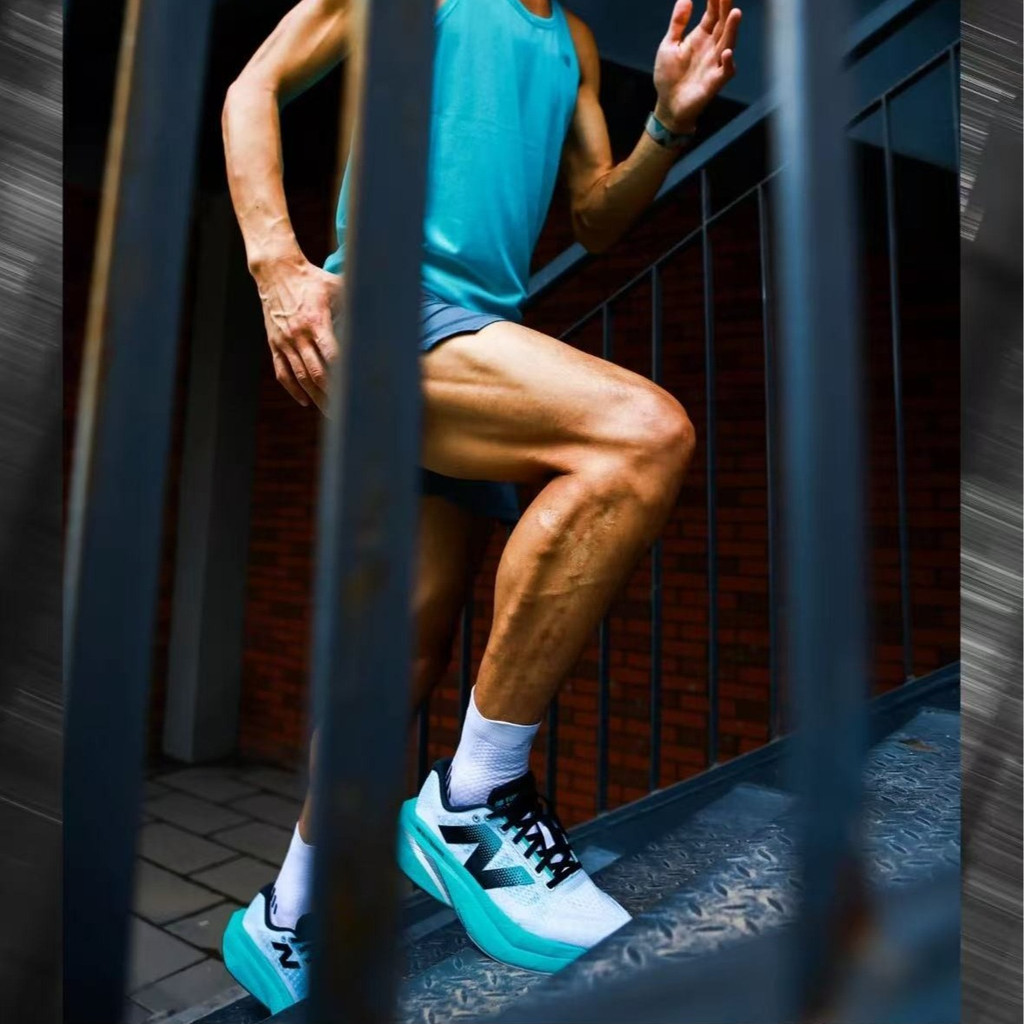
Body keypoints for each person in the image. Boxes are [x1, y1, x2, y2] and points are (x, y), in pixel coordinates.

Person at [220, 0, 742, 1011]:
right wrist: (278, 265)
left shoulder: (570, 41)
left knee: (401, 656)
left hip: (471, 337)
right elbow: (253, 89)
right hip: (383, 308)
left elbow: (595, 218)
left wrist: (668, 123)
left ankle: (287, 916)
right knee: (641, 433)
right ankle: (476, 800)